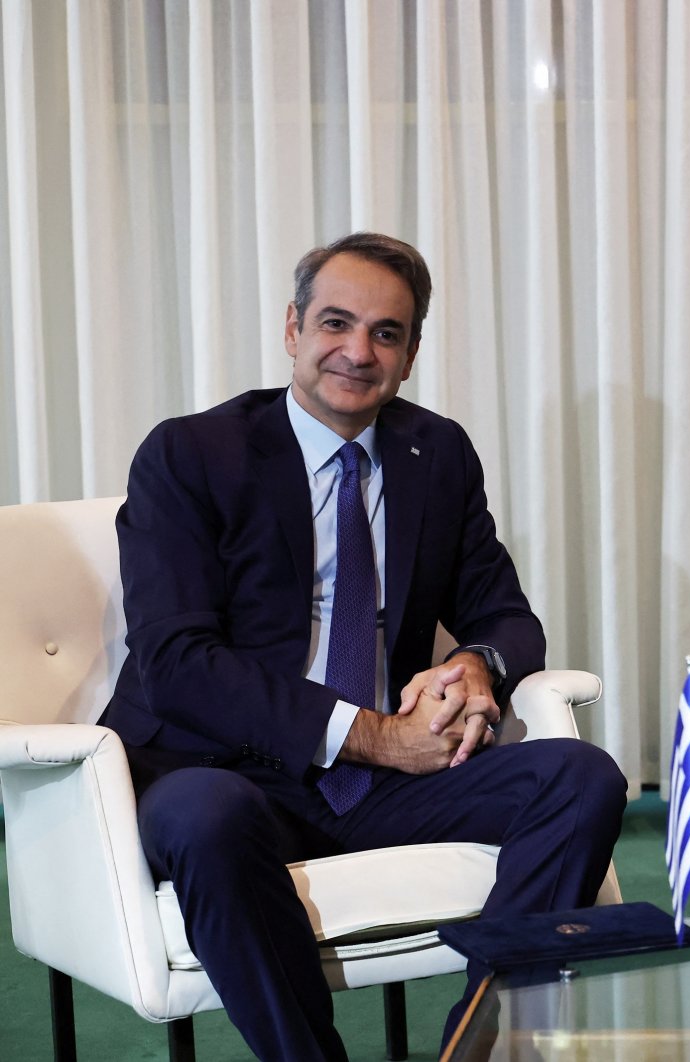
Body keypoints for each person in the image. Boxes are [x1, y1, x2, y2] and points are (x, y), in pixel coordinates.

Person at [102, 232, 627, 1060]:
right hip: (223, 772)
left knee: (581, 777)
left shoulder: (436, 452)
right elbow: (176, 661)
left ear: (411, 354)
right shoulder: (193, 454)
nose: (357, 351)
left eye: (386, 333)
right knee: (204, 817)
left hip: (381, 785)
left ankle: (481, 1046)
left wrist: (474, 666)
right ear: (292, 329)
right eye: (335, 323)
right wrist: (375, 733)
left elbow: (506, 615)